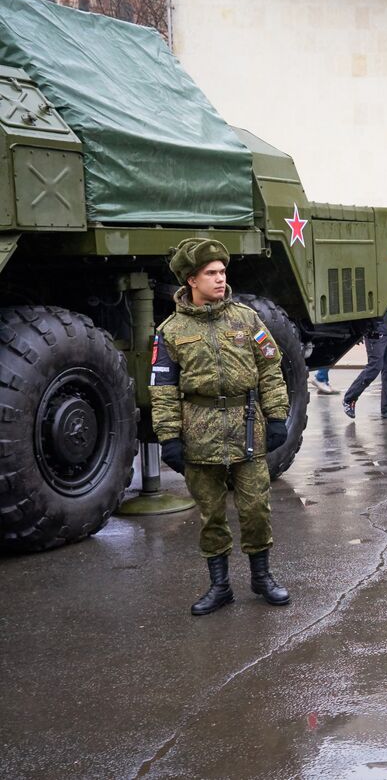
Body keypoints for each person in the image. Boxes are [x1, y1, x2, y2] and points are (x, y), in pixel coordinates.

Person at [150, 238, 292, 616]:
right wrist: (169, 438)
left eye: (222, 271)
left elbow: (270, 369)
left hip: (247, 428)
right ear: (191, 280)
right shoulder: (170, 331)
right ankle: (220, 586)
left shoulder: (246, 319)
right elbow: (163, 389)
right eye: (210, 273)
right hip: (199, 431)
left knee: (255, 509)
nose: (219, 278)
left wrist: (277, 416)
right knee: (211, 514)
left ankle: (262, 579)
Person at [343, 306, 387, 419]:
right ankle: (349, 399)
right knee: (374, 367)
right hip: (375, 333)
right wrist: (357, 331)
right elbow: (360, 307)